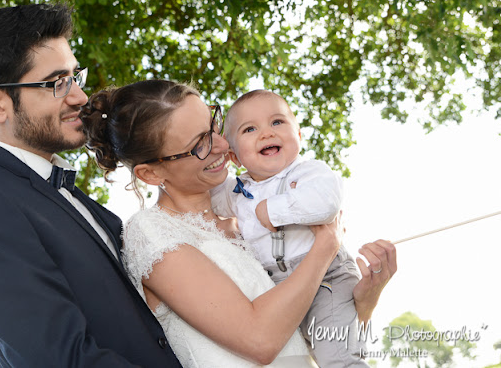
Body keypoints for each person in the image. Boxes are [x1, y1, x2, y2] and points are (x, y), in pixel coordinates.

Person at [82, 80, 396, 367]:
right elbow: (261, 340)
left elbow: (309, 331)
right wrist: (325, 247)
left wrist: (363, 301)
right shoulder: (153, 232)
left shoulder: (244, 225)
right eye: (200, 144)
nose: (221, 145)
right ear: (152, 174)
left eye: (213, 126)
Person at [0, 4, 182, 367]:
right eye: (57, 83)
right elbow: (60, 359)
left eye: (75, 76)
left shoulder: (75, 198)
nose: (80, 98)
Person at [211, 89, 367, 367]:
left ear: (299, 135)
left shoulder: (308, 172)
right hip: (277, 288)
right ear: (234, 156)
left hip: (326, 280)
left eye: (277, 122)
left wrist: (272, 209)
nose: (267, 133)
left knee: (337, 357)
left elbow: (325, 203)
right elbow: (207, 198)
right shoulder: (237, 191)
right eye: (250, 129)